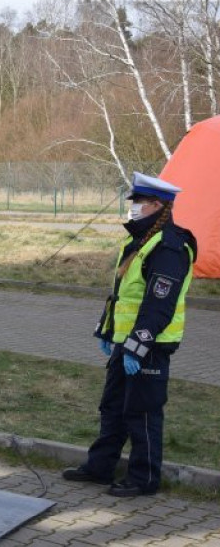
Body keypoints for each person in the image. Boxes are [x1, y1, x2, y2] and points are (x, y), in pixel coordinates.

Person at [63, 172, 197, 497]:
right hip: (126, 344)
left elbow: (157, 308)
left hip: (150, 345)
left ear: (157, 205)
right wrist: (106, 331)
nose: (132, 208)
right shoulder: (138, 240)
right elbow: (122, 296)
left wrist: (136, 348)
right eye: (133, 202)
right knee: (112, 408)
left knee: (143, 413)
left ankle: (143, 479)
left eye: (138, 202)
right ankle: (100, 467)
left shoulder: (169, 248)